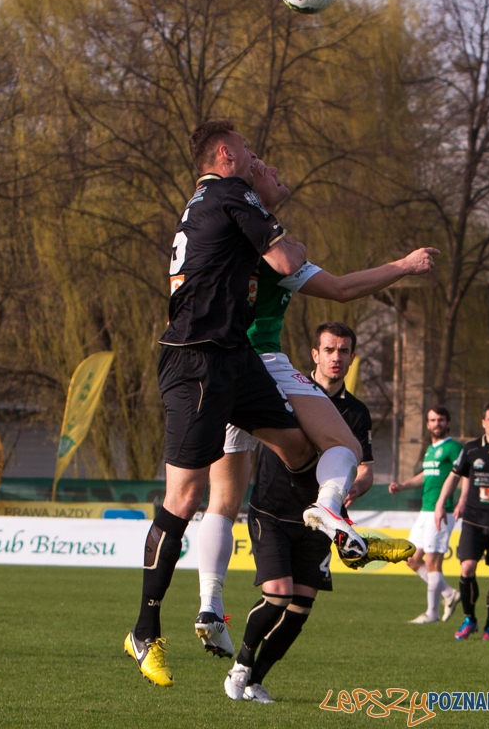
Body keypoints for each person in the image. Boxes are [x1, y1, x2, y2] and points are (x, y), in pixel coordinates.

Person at [124, 120, 414, 686]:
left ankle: (337, 523)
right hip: (199, 360)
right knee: (185, 498)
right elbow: (286, 261)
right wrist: (295, 245)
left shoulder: (212, 202)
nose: (261, 162)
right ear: (228, 155)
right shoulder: (230, 193)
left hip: (238, 359)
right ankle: (145, 630)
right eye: (253, 154)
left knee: (306, 448)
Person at [195, 160, 437, 657]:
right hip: (260, 361)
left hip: (215, 368)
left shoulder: (218, 241)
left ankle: (209, 605)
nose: (273, 170)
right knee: (338, 446)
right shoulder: (277, 251)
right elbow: (343, 288)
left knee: (220, 499)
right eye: (263, 168)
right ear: (251, 190)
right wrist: (406, 266)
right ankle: (332, 511)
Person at [224, 322, 378, 703]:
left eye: (344, 351)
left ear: (351, 356)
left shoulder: (356, 413)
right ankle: (241, 664)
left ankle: (256, 680)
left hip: (319, 524)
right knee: (277, 596)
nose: (337, 357)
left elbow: (366, 469)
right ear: (315, 354)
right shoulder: (284, 390)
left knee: (300, 608)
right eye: (329, 350)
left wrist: (353, 487)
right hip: (272, 510)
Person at [435, 403, 489, 641]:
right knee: (467, 567)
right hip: (473, 520)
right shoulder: (471, 449)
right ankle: (470, 619)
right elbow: (454, 477)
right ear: (483, 422)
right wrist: (441, 504)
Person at [389, 406, 463, 623]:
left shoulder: (453, 447)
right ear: (428, 424)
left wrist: (463, 501)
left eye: (441, 420)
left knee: (433, 563)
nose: (436, 423)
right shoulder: (430, 450)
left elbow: (465, 473)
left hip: (442, 512)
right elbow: (425, 475)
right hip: (425, 511)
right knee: (411, 559)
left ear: (448, 423)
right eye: (432, 420)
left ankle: (432, 613)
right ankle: (449, 593)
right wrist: (403, 485)